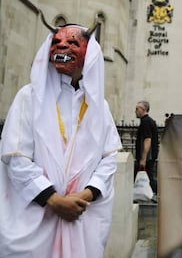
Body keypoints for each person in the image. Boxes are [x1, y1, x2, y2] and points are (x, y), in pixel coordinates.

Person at [0, 18, 122, 257]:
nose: (61, 47)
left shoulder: (99, 106)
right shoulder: (29, 98)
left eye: (72, 43)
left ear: (89, 54)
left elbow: (109, 159)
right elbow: (16, 158)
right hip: (36, 223)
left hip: (80, 218)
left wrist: (86, 195)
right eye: (56, 42)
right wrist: (55, 201)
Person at [135, 100, 159, 194]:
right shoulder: (149, 121)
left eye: (137, 109)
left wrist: (143, 158)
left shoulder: (146, 122)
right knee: (147, 178)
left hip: (147, 158)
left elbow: (147, 140)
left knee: (148, 178)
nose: (135, 111)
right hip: (149, 157)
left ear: (143, 109)